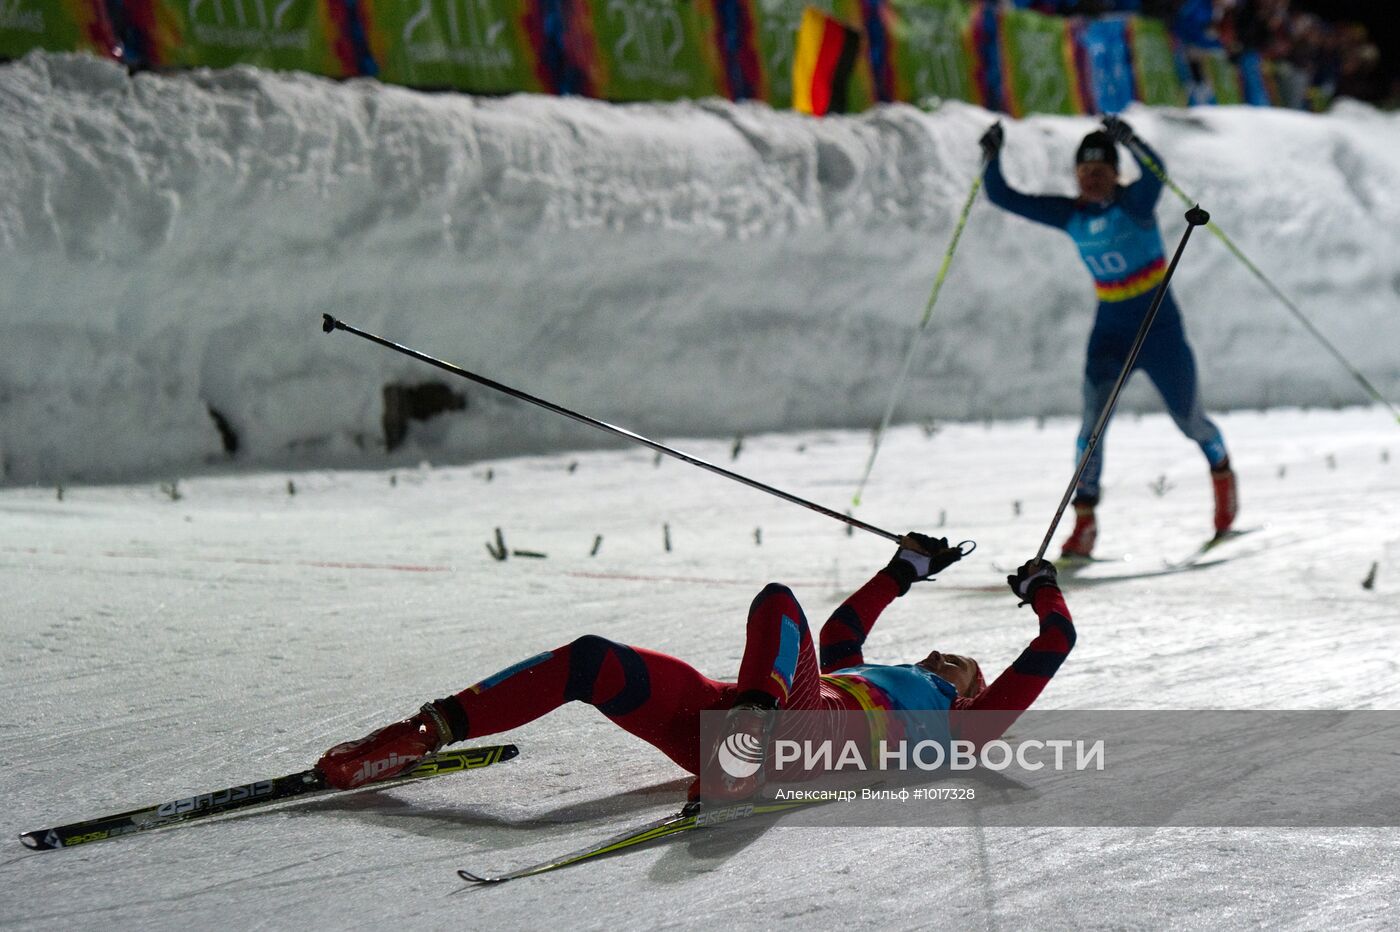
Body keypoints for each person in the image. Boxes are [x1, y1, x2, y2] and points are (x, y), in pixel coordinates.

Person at [315, 536, 1076, 800]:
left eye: (966, 664)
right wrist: (906, 567)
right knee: (592, 661)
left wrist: (1041, 589)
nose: (949, 655)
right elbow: (846, 627)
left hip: (809, 739)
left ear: (973, 689)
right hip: (746, 723)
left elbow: (1053, 645)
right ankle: (420, 733)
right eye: (943, 651)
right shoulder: (867, 671)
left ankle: (741, 748)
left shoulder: (965, 726)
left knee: (779, 602)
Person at [979, 116, 1237, 559]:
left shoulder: (1135, 203)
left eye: (1100, 173)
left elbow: (1157, 171)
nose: (1091, 181)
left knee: (1189, 419)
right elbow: (1002, 196)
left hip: (1160, 330)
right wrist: (991, 155)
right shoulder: (1070, 213)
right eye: (1083, 173)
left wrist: (1133, 141)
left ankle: (1222, 472)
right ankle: (1084, 522)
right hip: (1111, 333)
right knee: (1090, 430)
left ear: (1116, 175)